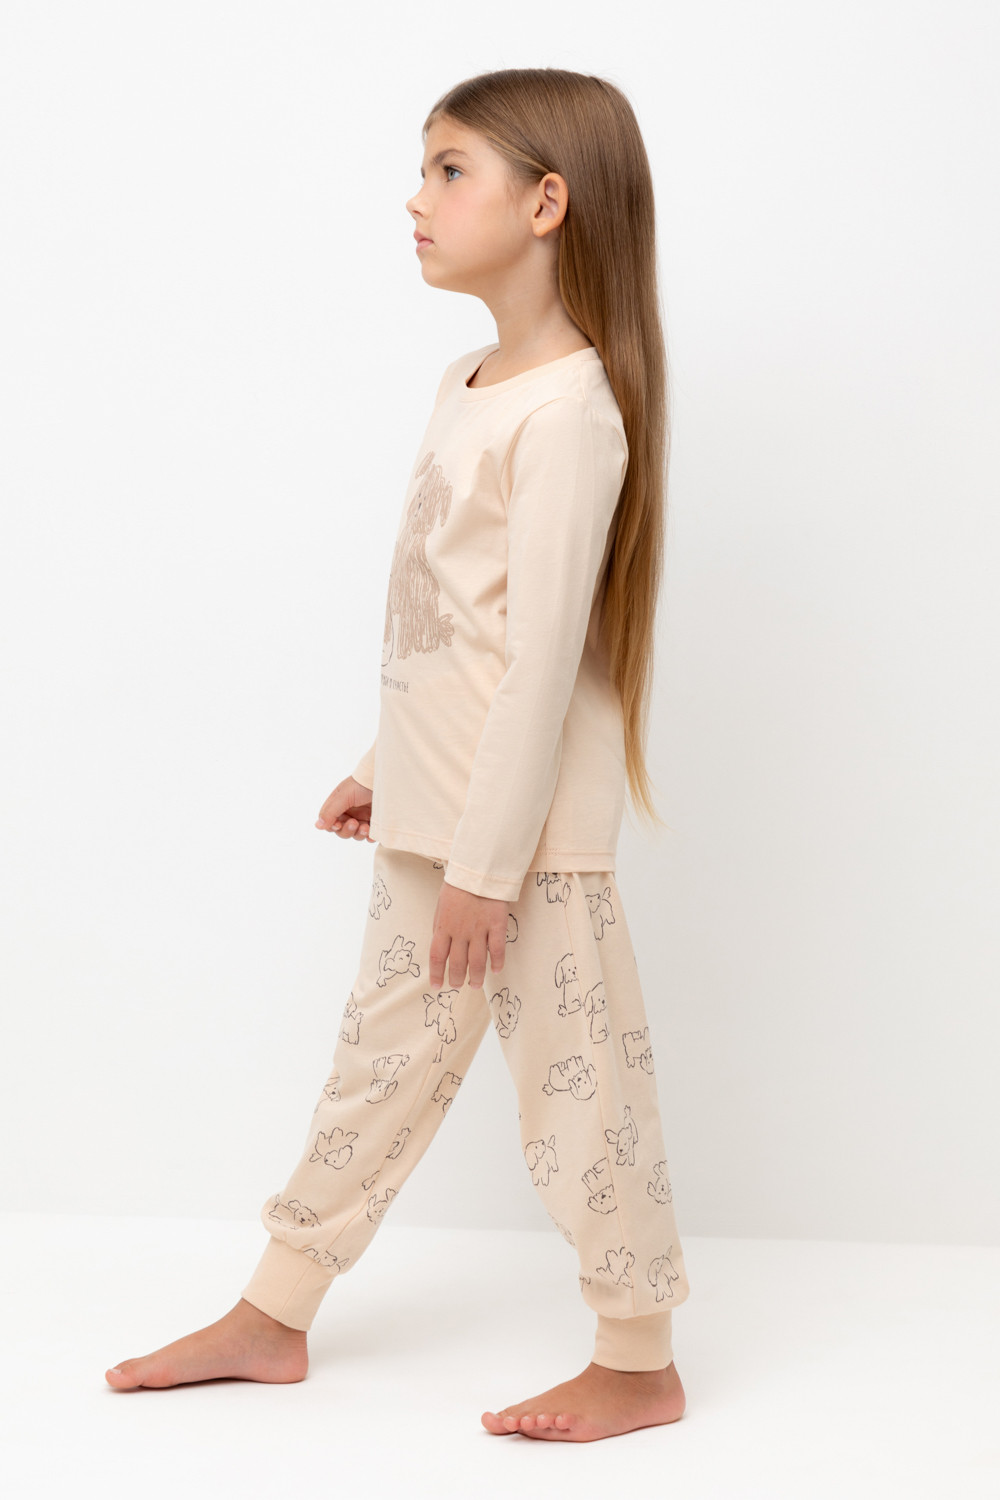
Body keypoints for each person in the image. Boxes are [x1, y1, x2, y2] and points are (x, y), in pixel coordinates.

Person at [105, 65, 691, 1443]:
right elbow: (451, 618)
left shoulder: (570, 414)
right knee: (378, 1063)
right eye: (425, 169)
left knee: (579, 1090)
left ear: (547, 204)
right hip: (443, 812)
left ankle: (637, 1356)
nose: (416, 198)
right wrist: (386, 759)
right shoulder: (469, 382)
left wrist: (489, 865)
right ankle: (275, 1310)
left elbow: (540, 665)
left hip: (526, 843)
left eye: (449, 170)